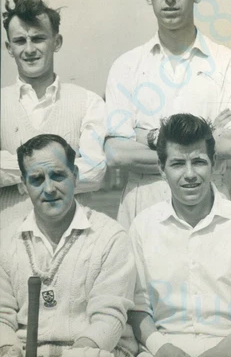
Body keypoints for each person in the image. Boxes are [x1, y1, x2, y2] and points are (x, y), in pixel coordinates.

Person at [104, 0, 231, 229]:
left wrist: (149, 136)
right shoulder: (126, 66)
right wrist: (206, 135)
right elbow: (116, 153)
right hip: (141, 203)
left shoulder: (229, 63)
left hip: (212, 205)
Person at [128, 114, 231, 357]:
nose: (189, 174)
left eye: (199, 162)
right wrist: (162, 347)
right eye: (178, 163)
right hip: (164, 349)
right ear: (162, 169)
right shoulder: (142, 226)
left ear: (214, 163)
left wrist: (220, 352)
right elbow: (138, 307)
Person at [0, 134, 136, 357]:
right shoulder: (5, 241)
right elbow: (2, 319)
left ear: (75, 176)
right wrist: (9, 351)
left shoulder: (110, 237)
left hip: (92, 351)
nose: (49, 189)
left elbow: (108, 320)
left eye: (58, 175)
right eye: (36, 179)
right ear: (23, 186)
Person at [1, 0, 107, 229]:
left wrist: (19, 174)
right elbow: (82, 171)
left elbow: (96, 171)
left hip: (74, 240)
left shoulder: (88, 102)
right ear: (9, 47)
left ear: (56, 42)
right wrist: (59, 169)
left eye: (38, 39)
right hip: (6, 240)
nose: (29, 49)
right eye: (20, 41)